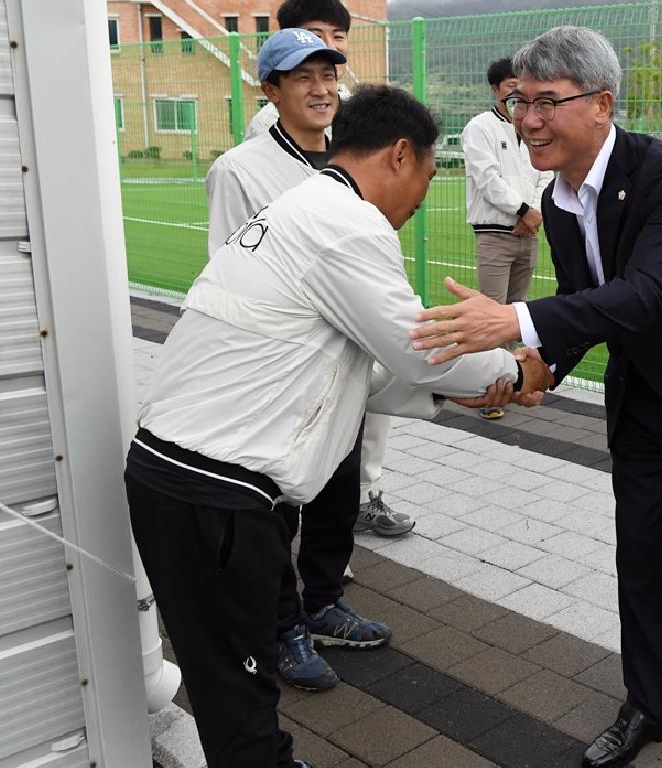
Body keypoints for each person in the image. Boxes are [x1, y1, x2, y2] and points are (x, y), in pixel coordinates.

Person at [127, 84, 551, 767]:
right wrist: (521, 371)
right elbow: (422, 350)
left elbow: (358, 375)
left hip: (183, 476)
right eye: (426, 177)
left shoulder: (305, 207)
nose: (419, 202)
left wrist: (461, 396)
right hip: (213, 490)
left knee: (234, 677)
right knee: (237, 686)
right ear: (400, 155)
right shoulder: (346, 223)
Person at [408, 26, 662, 767]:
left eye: (547, 102)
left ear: (601, 105)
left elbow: (645, 294)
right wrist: (537, 364)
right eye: (521, 102)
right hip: (644, 400)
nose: (527, 120)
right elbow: (592, 298)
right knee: (639, 554)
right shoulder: (555, 200)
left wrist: (515, 318)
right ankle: (649, 704)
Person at [207, 26, 401, 696]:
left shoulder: (353, 158)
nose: (321, 90)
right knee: (278, 505)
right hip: (280, 375)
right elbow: (229, 274)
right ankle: (282, 624)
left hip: (343, 365)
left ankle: (322, 603)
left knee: (336, 491)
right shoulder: (241, 169)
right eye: (302, 78)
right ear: (272, 91)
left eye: (329, 76)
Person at [243, 0, 416, 544]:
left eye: (335, 44)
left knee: (353, 444)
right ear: (273, 85)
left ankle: (333, 573)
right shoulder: (252, 153)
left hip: (353, 321)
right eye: (310, 42)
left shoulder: (349, 133)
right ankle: (290, 596)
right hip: (295, 337)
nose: (322, 80)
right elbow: (244, 255)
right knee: (294, 466)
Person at [462, 57, 554, 419]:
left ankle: (511, 385)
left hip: (527, 231)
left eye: (523, 86)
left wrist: (533, 213)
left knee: (517, 315)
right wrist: (522, 211)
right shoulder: (480, 127)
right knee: (490, 317)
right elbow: (487, 180)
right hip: (495, 235)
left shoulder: (533, 128)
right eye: (511, 85)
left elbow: (545, 175)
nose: (517, 93)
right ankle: (484, 392)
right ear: (496, 89)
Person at [244, 0, 350, 141]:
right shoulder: (269, 123)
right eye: (316, 36)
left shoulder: (354, 109)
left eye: (338, 37)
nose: (330, 46)